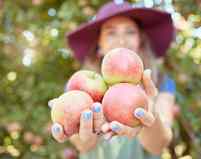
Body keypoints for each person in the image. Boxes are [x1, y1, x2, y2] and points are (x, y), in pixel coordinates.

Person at [50, 1, 176, 159]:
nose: (122, 40)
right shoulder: (81, 87)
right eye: (111, 33)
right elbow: (84, 145)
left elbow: (159, 145)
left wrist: (149, 114)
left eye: (130, 32)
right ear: (99, 45)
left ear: (140, 41)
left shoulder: (162, 82)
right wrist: (81, 131)